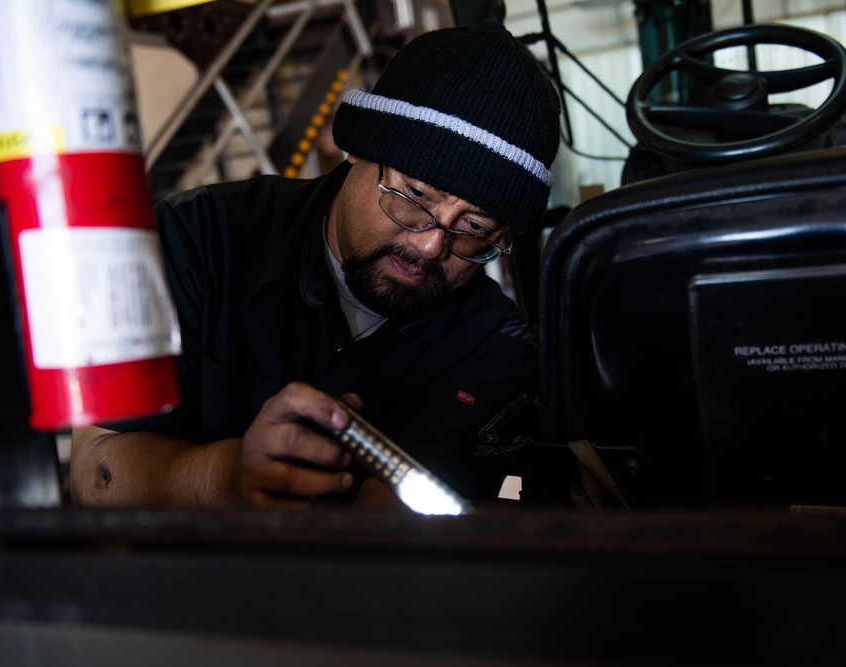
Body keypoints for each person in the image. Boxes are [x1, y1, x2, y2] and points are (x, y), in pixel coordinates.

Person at [69, 20, 561, 509]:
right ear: (354, 151)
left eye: (474, 229)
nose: (433, 244)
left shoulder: (494, 341)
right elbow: (94, 473)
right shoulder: (198, 237)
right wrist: (228, 477)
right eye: (414, 196)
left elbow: (414, 511)